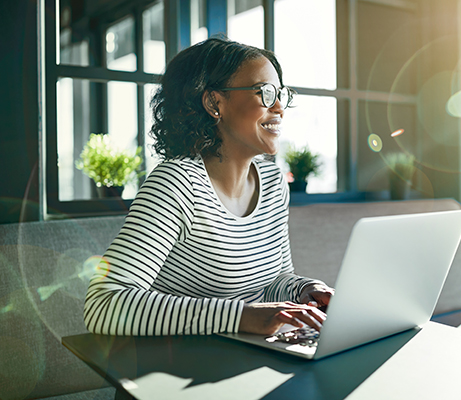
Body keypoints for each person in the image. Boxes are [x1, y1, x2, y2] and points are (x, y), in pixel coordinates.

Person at [83, 37, 334, 337]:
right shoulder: (175, 185)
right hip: (175, 369)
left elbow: (273, 280)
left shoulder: (273, 182)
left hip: (247, 360)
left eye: (281, 94)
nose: (279, 107)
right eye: (265, 93)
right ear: (215, 103)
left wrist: (305, 290)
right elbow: (104, 303)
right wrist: (241, 316)